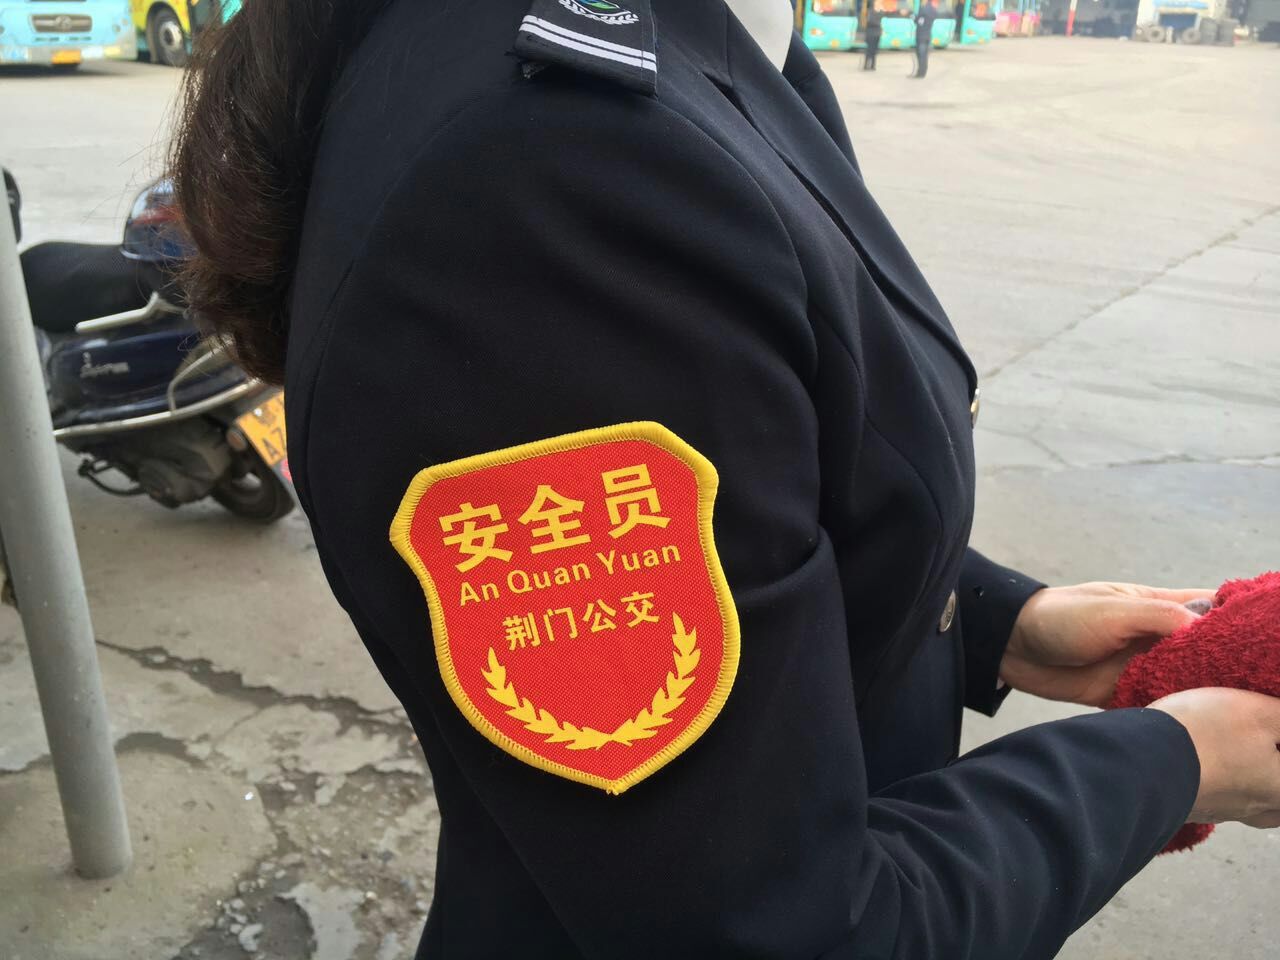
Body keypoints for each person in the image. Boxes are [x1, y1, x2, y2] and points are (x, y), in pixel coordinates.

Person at [169, 0, 1280, 955]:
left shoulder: (701, 48)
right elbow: (772, 929)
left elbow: (771, 459)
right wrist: (1178, 763)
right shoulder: (556, 176)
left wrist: (995, 621)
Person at [914, 0, 938, 77]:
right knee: (925, 55)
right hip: (928, 35)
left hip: (921, 36)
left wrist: (914, 18)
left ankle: (920, 73)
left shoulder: (923, 9)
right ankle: (923, 72)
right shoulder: (933, 9)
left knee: (921, 55)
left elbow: (918, 21)